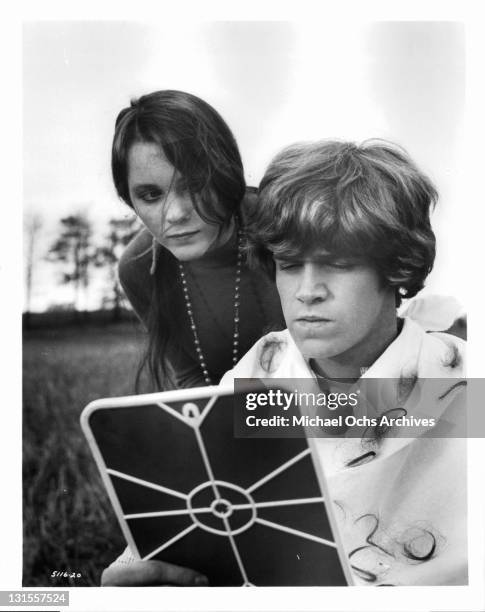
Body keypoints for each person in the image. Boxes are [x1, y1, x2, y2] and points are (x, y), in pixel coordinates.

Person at [220, 139, 467, 586]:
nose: (308, 290)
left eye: (337, 263)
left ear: (396, 268)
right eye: (290, 264)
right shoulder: (252, 377)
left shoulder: (467, 381)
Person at [112, 90, 284, 391]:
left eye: (194, 186)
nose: (175, 214)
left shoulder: (286, 223)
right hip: (242, 426)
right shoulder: (138, 270)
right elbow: (192, 380)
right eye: (150, 195)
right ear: (130, 199)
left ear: (226, 174)